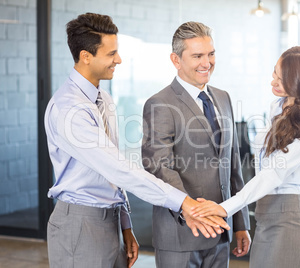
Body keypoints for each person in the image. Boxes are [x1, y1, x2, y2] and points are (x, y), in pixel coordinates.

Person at [44, 13, 228, 268]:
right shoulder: (69, 109)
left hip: (110, 223)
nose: (118, 59)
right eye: (111, 54)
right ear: (86, 56)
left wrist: (125, 225)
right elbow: (119, 169)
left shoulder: (103, 100)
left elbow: (112, 172)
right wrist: (184, 203)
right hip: (80, 223)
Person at [192, 46, 300, 268]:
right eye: (274, 74)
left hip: (289, 221)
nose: (273, 82)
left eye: (281, 79)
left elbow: (273, 173)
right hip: (265, 217)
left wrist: (225, 208)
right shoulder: (278, 108)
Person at [141, 21, 251, 267]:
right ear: (176, 59)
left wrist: (241, 223)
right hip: (180, 235)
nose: (207, 63)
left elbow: (232, 165)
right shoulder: (159, 103)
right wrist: (190, 210)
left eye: (211, 54)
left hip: (221, 232)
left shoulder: (223, 98)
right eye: (197, 56)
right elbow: (159, 166)